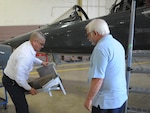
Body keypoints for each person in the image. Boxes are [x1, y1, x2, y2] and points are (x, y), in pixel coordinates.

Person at [84, 19, 128, 113]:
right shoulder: (117, 44)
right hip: (119, 98)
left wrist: (89, 99)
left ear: (95, 33)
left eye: (88, 34)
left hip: (106, 102)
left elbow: (98, 79)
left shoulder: (101, 48)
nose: (88, 38)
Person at [2, 31, 49, 113]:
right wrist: (29, 88)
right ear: (35, 41)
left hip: (15, 79)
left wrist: (41, 62)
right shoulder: (25, 55)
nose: (42, 46)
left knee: (22, 105)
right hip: (11, 82)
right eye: (41, 44)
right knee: (22, 108)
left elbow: (32, 57)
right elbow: (19, 78)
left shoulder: (28, 46)